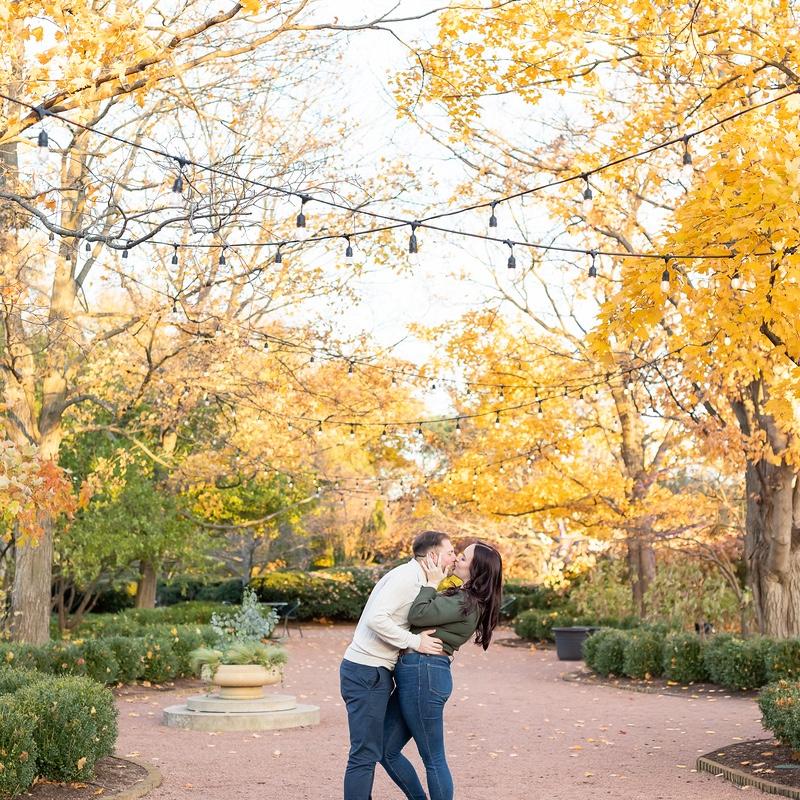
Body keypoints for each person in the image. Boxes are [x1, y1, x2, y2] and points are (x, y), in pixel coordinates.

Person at [380, 541, 504, 800]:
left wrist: (431, 583)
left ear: (477, 569)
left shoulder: (466, 602)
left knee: (433, 757)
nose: (457, 559)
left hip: (425, 674)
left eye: (464, 558)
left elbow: (418, 614)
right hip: (417, 673)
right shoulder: (462, 596)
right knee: (384, 748)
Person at [340, 531, 457, 800]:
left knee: (372, 750)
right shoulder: (406, 578)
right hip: (365, 671)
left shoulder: (418, 578)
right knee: (364, 754)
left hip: (375, 672)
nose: (454, 558)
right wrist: (415, 642)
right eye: (450, 552)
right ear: (433, 556)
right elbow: (376, 619)